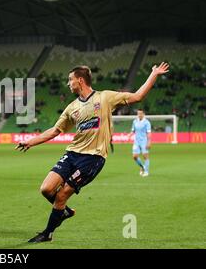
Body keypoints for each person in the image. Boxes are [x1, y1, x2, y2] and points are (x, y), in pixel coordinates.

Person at [16, 63, 169, 243]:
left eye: (70, 80)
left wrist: (154, 74)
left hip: (92, 158)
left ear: (80, 80)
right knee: (46, 189)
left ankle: (47, 234)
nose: (68, 84)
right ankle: (64, 211)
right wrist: (30, 142)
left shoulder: (105, 97)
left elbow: (138, 96)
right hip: (72, 153)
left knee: (62, 195)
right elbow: (55, 131)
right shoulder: (72, 107)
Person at [130, 109, 151, 177]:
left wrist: (149, 142)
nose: (139, 115)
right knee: (134, 157)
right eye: (138, 113)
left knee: (145, 156)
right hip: (136, 141)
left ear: (143, 114)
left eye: (140, 113)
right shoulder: (135, 121)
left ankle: (146, 171)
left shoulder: (147, 122)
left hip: (144, 141)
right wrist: (129, 134)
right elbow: (133, 130)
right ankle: (142, 167)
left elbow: (149, 133)